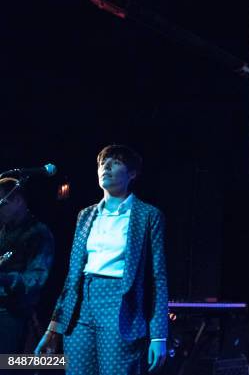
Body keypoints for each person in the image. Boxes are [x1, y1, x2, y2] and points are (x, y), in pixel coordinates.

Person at [35, 145, 168, 374]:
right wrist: (53, 329)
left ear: (132, 173)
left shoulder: (147, 215)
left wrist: (159, 335)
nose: (105, 167)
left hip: (120, 304)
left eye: (115, 162)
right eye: (102, 163)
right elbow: (72, 276)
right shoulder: (86, 215)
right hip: (80, 307)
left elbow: (158, 276)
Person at [0, 177, 54, 355]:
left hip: (13, 315)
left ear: (17, 201)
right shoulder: (2, 231)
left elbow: (35, 280)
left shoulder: (38, 233)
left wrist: (5, 278)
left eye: (1, 203)